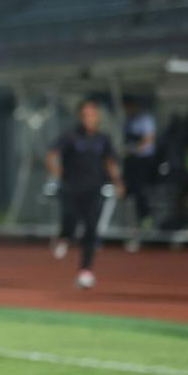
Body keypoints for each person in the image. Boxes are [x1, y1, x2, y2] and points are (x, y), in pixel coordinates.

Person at [44, 100, 125, 289]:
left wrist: (118, 182)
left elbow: (110, 162)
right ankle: (64, 236)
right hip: (70, 188)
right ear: (80, 117)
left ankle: (85, 271)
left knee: (91, 228)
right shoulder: (70, 136)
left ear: (96, 118)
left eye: (92, 115)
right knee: (70, 219)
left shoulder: (102, 139)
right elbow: (50, 154)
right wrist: (55, 173)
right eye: (85, 115)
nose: (89, 119)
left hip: (93, 189)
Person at [121, 98, 156, 252]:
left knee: (141, 191)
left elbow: (148, 139)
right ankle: (132, 225)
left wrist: (134, 149)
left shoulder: (145, 120)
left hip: (144, 161)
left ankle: (146, 219)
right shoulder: (127, 122)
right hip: (131, 161)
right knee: (131, 193)